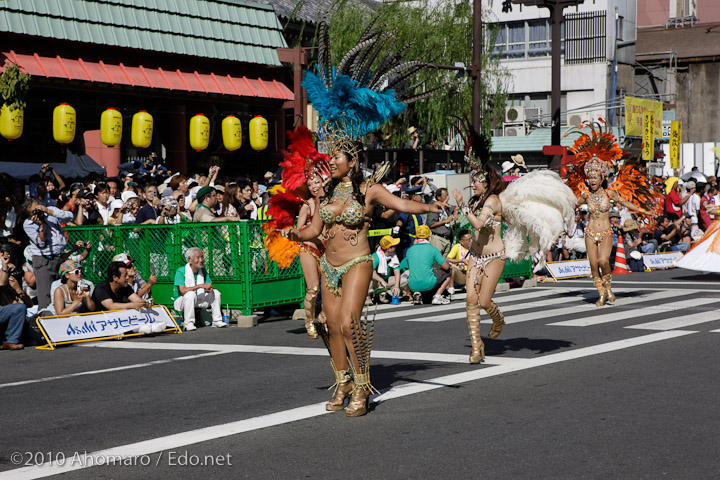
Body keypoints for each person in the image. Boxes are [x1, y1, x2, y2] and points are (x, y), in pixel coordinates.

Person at [289, 143, 444, 416]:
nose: (332, 162)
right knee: (332, 324)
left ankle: (362, 385)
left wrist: (429, 206)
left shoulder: (369, 189)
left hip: (357, 262)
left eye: (337, 157)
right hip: (329, 265)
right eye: (331, 157)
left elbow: (401, 204)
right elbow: (314, 228)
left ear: (352, 162)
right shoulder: (328, 191)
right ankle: (344, 381)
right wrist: (295, 235)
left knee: (349, 323)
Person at [452, 165, 507, 363]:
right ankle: (477, 347)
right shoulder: (476, 201)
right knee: (470, 300)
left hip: (494, 257)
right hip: (475, 256)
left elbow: (478, 224)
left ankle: (498, 319)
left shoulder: (493, 200)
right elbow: (465, 224)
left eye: (476, 181)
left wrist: (462, 205)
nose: (472, 184)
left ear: (486, 183)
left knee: (484, 301)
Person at [22, 197, 75, 310]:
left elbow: (70, 216)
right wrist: (41, 226)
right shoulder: (28, 224)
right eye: (33, 211)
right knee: (46, 295)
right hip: (43, 260)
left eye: (37, 207)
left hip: (59, 258)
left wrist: (49, 211)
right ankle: (45, 321)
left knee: (62, 291)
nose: (38, 212)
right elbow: (41, 243)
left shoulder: (50, 210)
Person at [296, 174, 326, 339]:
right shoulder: (307, 206)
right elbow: (298, 231)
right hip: (308, 249)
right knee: (313, 288)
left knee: (331, 290)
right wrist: (310, 227)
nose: (314, 186)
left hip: (327, 252)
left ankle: (324, 318)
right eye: (310, 184)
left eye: (317, 182)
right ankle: (309, 323)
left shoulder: (330, 203)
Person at [173, 247, 226, 331]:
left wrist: (209, 289)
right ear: (189, 259)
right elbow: (183, 291)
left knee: (216, 293)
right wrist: (200, 286)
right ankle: (189, 323)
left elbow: (209, 285)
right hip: (182, 301)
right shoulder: (181, 271)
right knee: (190, 294)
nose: (201, 260)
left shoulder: (203, 271)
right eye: (198, 257)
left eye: (202, 257)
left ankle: (217, 320)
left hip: (199, 299)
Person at [399, 225, 451, 305]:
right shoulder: (433, 249)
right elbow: (446, 267)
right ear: (429, 236)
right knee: (448, 272)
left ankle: (417, 293)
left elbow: (402, 266)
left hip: (413, 285)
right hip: (429, 283)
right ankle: (437, 296)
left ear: (416, 236)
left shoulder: (410, 250)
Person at [0, 245, 27, 350]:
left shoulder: (12, 282)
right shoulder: (4, 269)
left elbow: (29, 304)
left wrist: (19, 290)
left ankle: (11, 341)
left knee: (19, 307)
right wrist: (5, 267)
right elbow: (1, 283)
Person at [370, 235, 405, 303]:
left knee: (404, 280)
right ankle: (368, 296)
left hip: (385, 281)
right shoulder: (376, 256)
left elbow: (397, 271)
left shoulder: (393, 255)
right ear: (389, 248)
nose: (396, 247)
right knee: (368, 277)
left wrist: (396, 286)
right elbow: (370, 272)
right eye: (394, 246)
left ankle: (389, 293)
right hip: (376, 282)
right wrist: (381, 280)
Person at [427, 188, 458, 256]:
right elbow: (431, 224)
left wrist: (455, 212)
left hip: (447, 239)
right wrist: (445, 221)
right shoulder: (435, 208)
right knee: (436, 261)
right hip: (438, 239)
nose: (448, 197)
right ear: (438, 197)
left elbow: (457, 208)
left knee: (444, 262)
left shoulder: (448, 207)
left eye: (448, 195)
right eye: (445, 195)